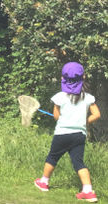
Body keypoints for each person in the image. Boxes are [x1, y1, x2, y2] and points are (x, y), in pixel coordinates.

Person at [34, 62, 101, 202]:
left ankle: (44, 182)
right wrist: (84, 121)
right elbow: (96, 115)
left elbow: (56, 116)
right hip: (79, 135)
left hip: (62, 134)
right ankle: (88, 191)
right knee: (78, 162)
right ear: (82, 77)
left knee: (52, 157)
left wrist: (64, 119)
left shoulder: (60, 96)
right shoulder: (88, 97)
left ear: (63, 78)